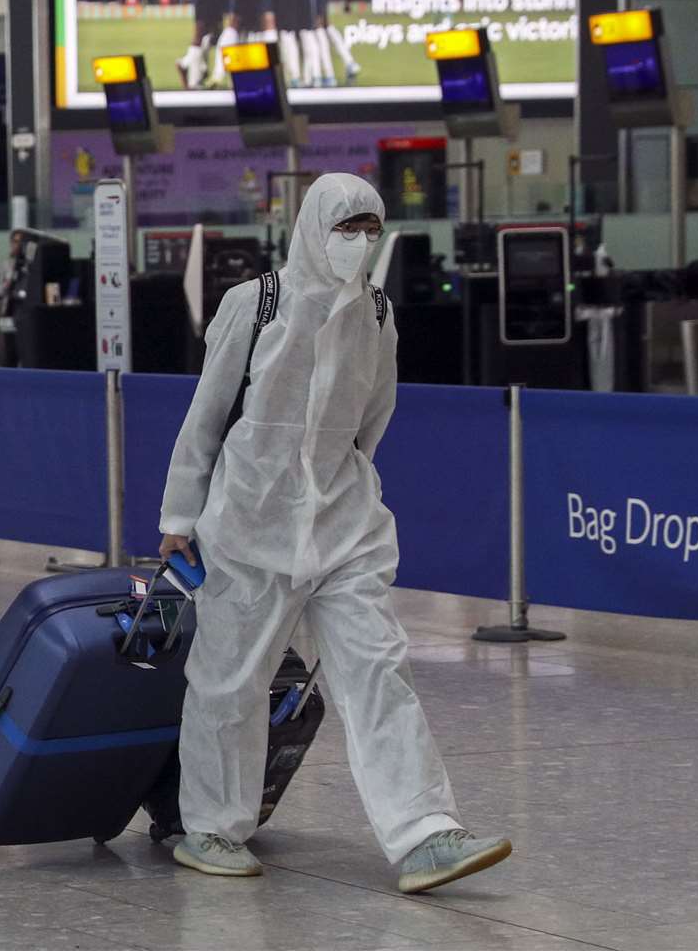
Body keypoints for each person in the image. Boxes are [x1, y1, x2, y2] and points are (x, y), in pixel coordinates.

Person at [158, 174, 511, 892]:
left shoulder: (376, 314)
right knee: (229, 685)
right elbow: (205, 418)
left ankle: (423, 834)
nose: (358, 242)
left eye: (370, 229)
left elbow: (369, 421)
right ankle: (211, 829)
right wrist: (177, 519)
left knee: (377, 671)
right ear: (313, 225)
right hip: (247, 528)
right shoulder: (254, 305)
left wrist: (332, 484)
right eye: (345, 227)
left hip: (343, 529)